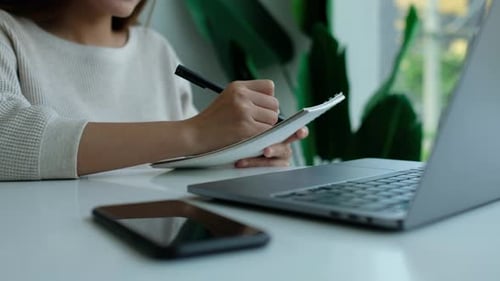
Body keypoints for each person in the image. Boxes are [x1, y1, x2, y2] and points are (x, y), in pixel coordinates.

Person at [0, 0, 308, 181]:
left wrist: (245, 153)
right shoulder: (8, 34)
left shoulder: (155, 50)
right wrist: (194, 133)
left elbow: (193, 159)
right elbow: (7, 139)